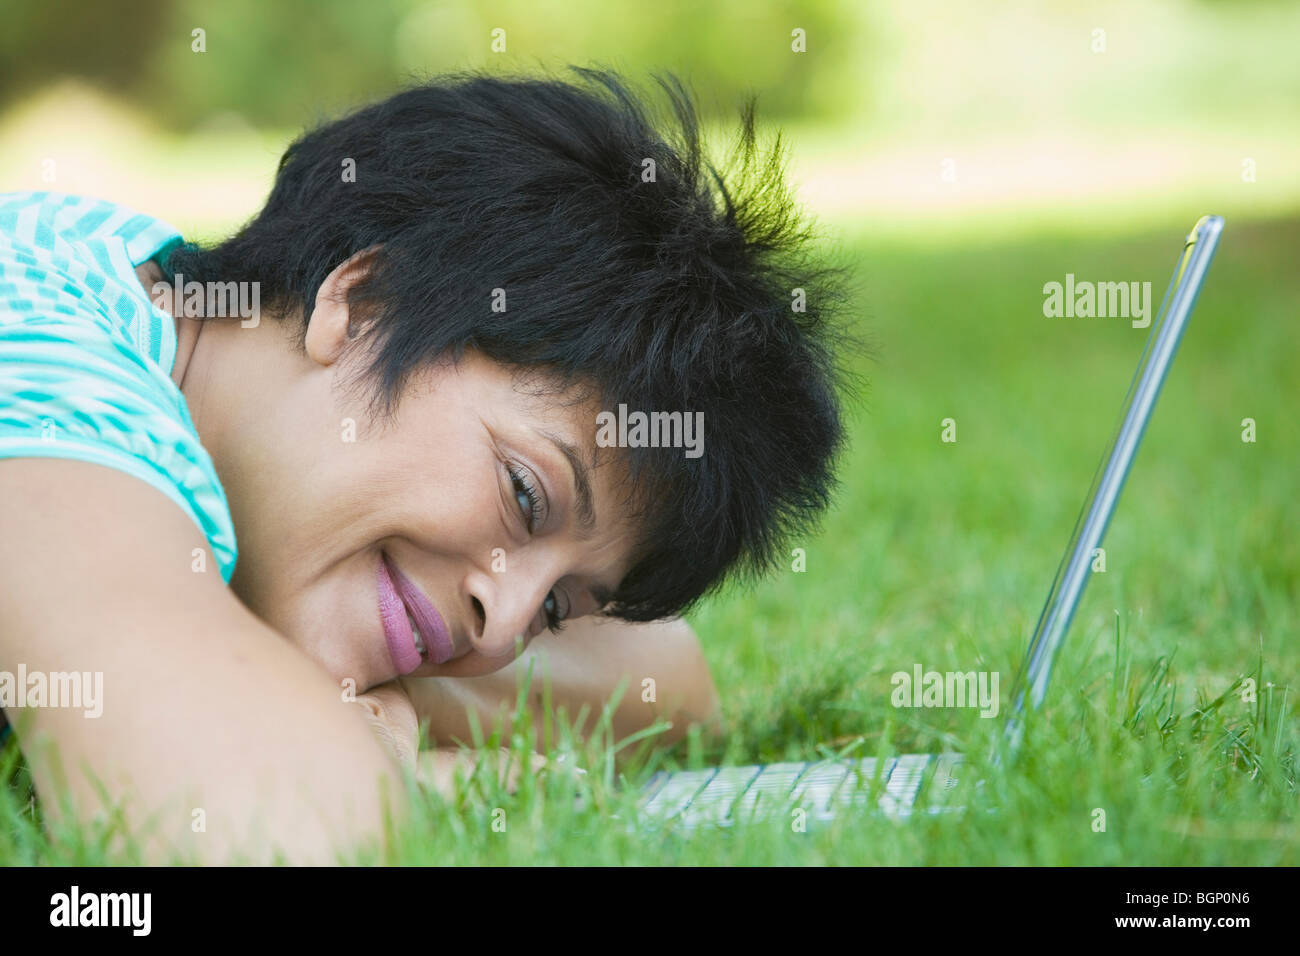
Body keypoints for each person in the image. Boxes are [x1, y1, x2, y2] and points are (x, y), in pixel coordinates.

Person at [0, 67, 848, 862]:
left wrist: (342, 699)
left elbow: (667, 680)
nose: (503, 625)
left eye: (556, 606)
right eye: (524, 494)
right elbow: (249, 826)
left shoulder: (168, 311)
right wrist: (415, 780)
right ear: (361, 304)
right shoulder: (43, 368)